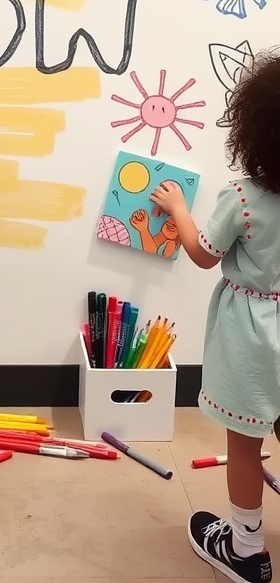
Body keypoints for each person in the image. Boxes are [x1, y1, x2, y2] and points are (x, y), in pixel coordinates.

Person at [151, 50, 280, 583]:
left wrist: (178, 208)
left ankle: (246, 550)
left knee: (245, 445)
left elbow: (204, 253)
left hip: (250, 338)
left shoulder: (243, 196)